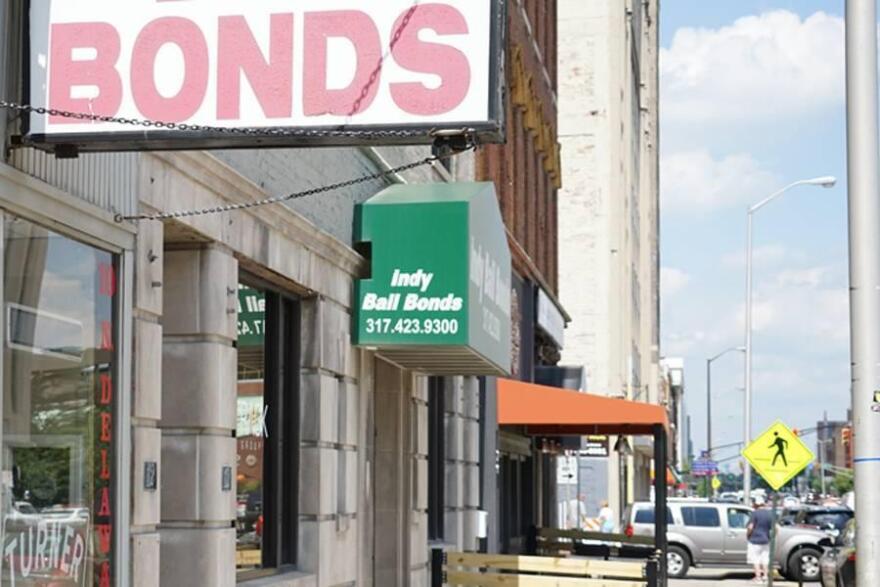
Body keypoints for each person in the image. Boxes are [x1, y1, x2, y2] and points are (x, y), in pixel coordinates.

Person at [747, 497, 774, 583]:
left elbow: (750, 527)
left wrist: (748, 535)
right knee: (765, 559)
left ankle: (758, 578)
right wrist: (772, 537)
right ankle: (765, 577)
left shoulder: (755, 513)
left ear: (756, 504)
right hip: (766, 540)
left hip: (755, 540)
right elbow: (776, 528)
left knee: (756, 559)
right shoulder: (770, 514)